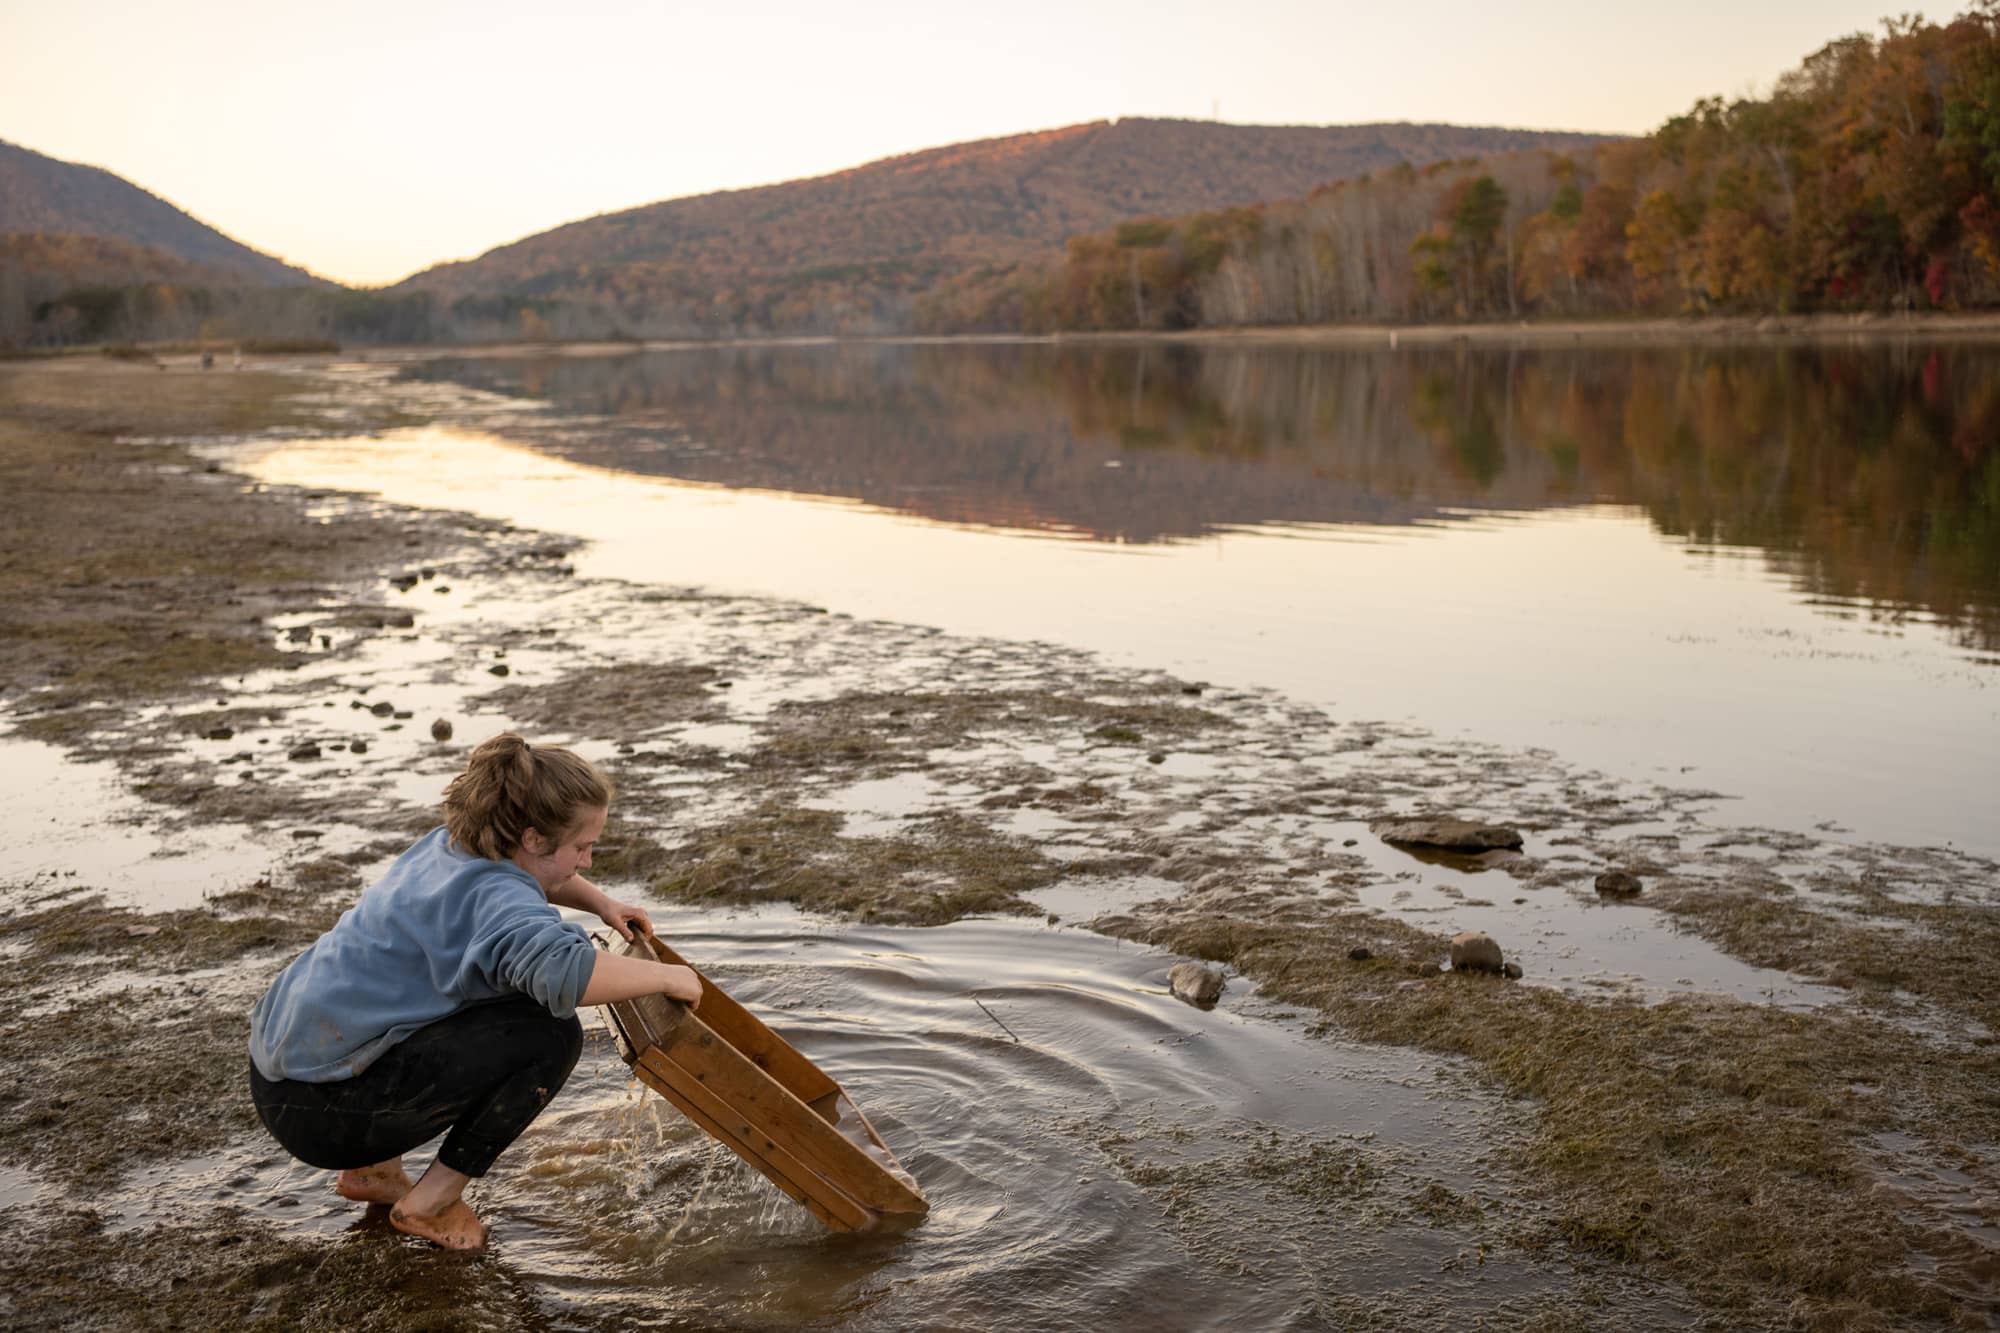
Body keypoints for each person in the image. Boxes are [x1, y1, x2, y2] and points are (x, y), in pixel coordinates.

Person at [247, 733, 702, 1249]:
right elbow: (566, 975)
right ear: (532, 838)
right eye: (583, 847)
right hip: (327, 1117)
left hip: (278, 1074)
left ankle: (371, 1171)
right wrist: (667, 977)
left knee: (451, 986)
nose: (589, 861)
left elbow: (537, 877)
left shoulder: (451, 845)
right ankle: (433, 1202)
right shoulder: (501, 900)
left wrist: (599, 904)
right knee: (549, 1034)